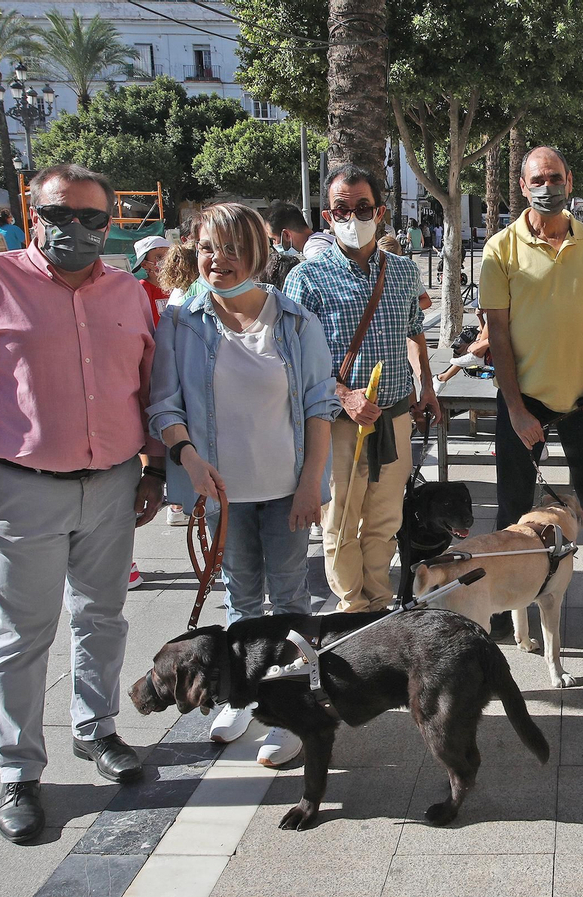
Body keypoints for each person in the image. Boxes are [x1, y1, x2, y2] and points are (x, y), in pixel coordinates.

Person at [0, 164, 166, 844]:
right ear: (35, 214)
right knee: (22, 632)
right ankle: (19, 770)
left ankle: (98, 728)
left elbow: (147, 385)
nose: (75, 230)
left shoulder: (127, 292)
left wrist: (154, 467)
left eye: (91, 218)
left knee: (103, 616)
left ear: (110, 222)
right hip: (18, 487)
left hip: (112, 484)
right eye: (61, 214)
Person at [149, 202, 338, 765]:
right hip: (221, 496)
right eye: (208, 248)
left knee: (288, 599)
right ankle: (242, 692)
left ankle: (291, 702)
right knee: (240, 598)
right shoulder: (181, 322)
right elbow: (164, 403)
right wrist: (186, 457)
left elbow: (319, 407)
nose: (218, 260)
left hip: (286, 491)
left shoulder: (296, 320)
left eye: (232, 249)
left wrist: (311, 484)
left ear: (256, 253)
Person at [481, 145, 583, 633]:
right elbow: (499, 336)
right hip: (524, 402)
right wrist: (515, 410)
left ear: (569, 181)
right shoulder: (500, 250)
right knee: (513, 505)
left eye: (555, 177)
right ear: (523, 188)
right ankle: (508, 601)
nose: (547, 187)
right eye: (537, 180)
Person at [283, 165, 439, 613]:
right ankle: (352, 607)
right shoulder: (306, 278)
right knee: (341, 522)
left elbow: (414, 332)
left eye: (363, 207)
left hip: (395, 417)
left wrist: (426, 387)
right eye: (341, 209)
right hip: (338, 425)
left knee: (386, 521)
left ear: (381, 211)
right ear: (327, 218)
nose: (353, 216)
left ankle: (380, 600)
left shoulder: (405, 272)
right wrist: (343, 395)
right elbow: (292, 361)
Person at [268, 202, 335, 261]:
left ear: (286, 235)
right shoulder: (323, 238)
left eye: (273, 239)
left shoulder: (314, 251)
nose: (274, 244)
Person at [131, 234, 172, 324]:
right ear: (144, 264)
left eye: (169, 256)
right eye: (159, 257)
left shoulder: (177, 288)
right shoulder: (141, 288)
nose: (166, 261)